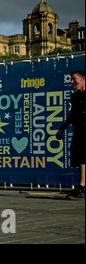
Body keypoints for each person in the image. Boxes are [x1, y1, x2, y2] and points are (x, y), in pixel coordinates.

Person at [56, 70, 86, 199]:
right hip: (79, 130)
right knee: (80, 158)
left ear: (83, 79)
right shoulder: (75, 96)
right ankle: (82, 187)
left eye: (74, 79)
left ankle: (82, 187)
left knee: (83, 158)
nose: (71, 82)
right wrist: (62, 128)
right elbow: (72, 114)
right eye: (71, 79)